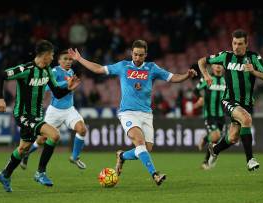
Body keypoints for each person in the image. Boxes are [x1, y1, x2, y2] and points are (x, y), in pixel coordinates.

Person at [68, 39, 197, 186]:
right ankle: (155, 174)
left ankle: (122, 155)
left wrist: (186, 75)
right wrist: (79, 59)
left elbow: (172, 77)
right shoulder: (123, 66)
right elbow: (99, 69)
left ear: (145, 55)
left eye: (140, 55)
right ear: (131, 53)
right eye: (135, 54)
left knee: (146, 149)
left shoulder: (152, 68)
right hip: (128, 113)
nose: (137, 58)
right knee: (140, 143)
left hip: (146, 114)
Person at [0, 40, 80, 192]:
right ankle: (40, 172)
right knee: (54, 135)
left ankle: (5, 174)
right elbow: (1, 76)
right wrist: (0, 98)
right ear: (45, 55)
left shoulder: (47, 70)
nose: (53, 57)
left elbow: (57, 92)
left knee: (23, 148)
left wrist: (68, 88)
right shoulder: (26, 69)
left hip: (37, 115)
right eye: (52, 54)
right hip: (23, 115)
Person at [198, 29, 263, 171]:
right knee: (246, 119)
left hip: (246, 103)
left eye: (240, 44)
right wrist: (207, 75)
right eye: (234, 43)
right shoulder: (225, 56)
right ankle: (250, 160)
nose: (236, 47)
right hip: (229, 100)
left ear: (246, 44)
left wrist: (253, 72)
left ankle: (215, 149)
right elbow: (201, 61)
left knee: (232, 138)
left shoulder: (254, 57)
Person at [19, 50, 87, 170]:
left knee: (82, 129)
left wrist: (70, 84)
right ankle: (26, 154)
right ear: (59, 60)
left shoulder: (71, 72)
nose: (68, 61)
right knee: (41, 139)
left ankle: (75, 157)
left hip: (69, 110)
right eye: (65, 59)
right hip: (54, 111)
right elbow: (45, 88)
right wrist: (66, 83)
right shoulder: (54, 71)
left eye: (70, 59)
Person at [193, 64, 226, 170]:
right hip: (209, 114)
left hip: (221, 115)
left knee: (215, 141)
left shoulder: (226, 81)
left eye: (221, 64)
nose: (218, 66)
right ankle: (205, 138)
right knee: (215, 136)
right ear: (212, 67)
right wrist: (200, 98)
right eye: (216, 64)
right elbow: (196, 90)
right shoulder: (207, 78)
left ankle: (205, 162)